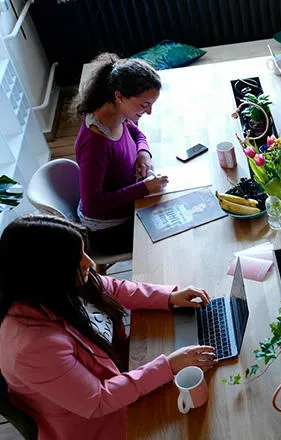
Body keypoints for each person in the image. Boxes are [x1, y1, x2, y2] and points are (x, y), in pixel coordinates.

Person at [0, 215, 216, 440]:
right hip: (96, 423)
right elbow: (97, 400)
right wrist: (169, 366)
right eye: (77, 259)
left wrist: (169, 297)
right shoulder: (31, 347)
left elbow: (112, 287)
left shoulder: (60, 283)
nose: (90, 263)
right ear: (46, 272)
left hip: (122, 373)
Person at [74, 53, 169, 255]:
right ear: (119, 96)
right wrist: (143, 188)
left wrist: (143, 152)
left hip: (128, 198)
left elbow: (135, 131)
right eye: (144, 105)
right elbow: (94, 203)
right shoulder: (95, 143)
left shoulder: (116, 112)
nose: (149, 112)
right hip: (109, 228)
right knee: (171, 239)